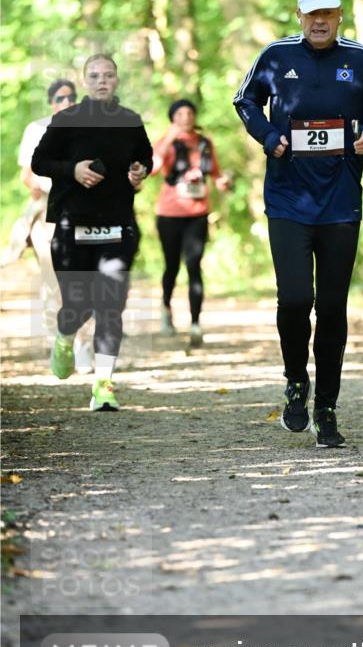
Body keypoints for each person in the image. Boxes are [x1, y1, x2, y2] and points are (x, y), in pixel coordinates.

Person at [234, 0, 363, 447]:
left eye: (328, 13)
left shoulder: (361, 60)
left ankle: (326, 405)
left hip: (340, 203)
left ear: (339, 15)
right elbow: (244, 101)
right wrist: (270, 138)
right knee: (293, 300)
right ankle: (295, 381)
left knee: (331, 308)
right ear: (299, 16)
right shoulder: (276, 56)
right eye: (312, 15)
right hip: (287, 199)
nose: (320, 21)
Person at [31, 54, 152, 412]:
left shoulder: (130, 120)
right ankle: (65, 337)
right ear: (85, 82)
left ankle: (103, 386)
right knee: (78, 305)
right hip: (73, 224)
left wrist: (138, 171)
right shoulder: (67, 120)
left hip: (117, 224)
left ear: (117, 80)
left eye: (109, 75)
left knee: (111, 306)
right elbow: (40, 162)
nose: (102, 80)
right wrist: (73, 169)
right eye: (95, 75)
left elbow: (146, 157)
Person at [4, 79, 94, 372]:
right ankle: (61, 339)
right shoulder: (37, 129)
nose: (66, 102)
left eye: (71, 97)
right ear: (51, 102)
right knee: (54, 279)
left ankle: (83, 343)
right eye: (59, 97)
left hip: (83, 211)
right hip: (47, 212)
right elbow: (27, 175)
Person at [152, 99, 230, 347]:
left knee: (194, 264)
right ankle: (166, 309)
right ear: (172, 117)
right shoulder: (165, 141)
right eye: (180, 113)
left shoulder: (205, 143)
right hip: (169, 213)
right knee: (171, 265)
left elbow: (216, 173)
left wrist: (222, 182)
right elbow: (152, 168)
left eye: (189, 112)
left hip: (198, 212)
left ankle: (195, 323)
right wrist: (168, 139)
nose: (185, 117)